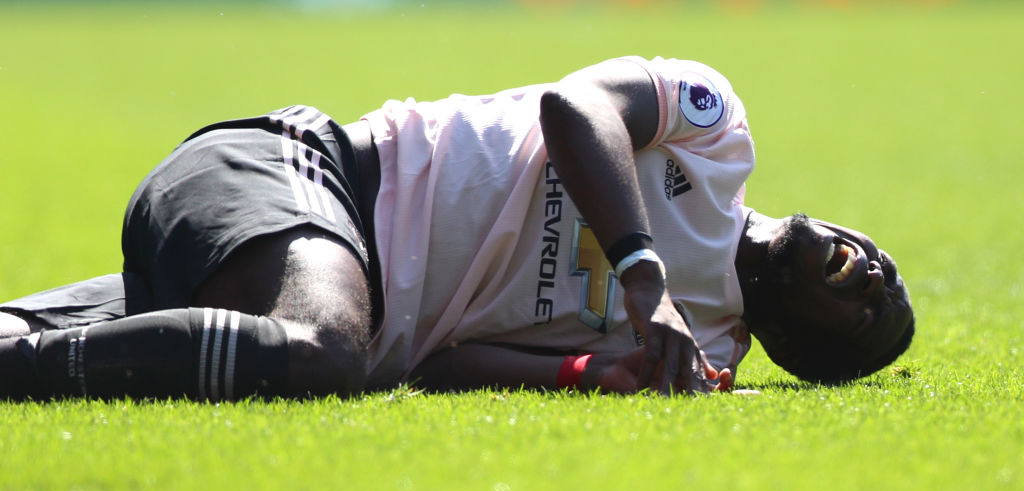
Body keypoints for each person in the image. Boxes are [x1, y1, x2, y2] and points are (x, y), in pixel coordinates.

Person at [0, 56, 914, 401]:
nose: (878, 271)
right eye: (890, 266)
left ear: (797, 346)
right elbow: (576, 106)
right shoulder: (715, 132)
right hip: (302, 173)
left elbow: (439, 363)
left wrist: (583, 372)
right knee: (323, 351)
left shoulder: (699, 355)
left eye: (874, 314)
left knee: (323, 345)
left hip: (301, 280)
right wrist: (642, 269)